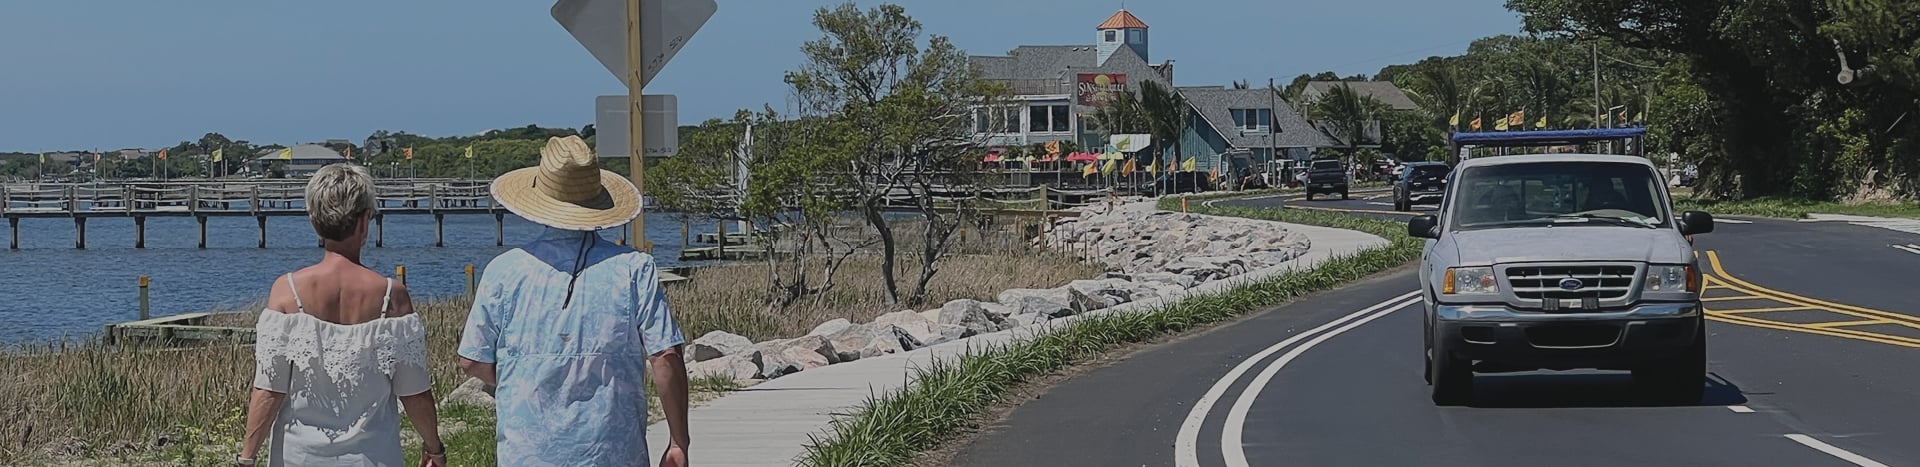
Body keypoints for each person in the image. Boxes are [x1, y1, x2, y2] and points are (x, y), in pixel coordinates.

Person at [457, 135, 692, 466]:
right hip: (612, 450)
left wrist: (527, 374)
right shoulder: (633, 268)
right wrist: (678, 440)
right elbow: (665, 356)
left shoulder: (504, 271)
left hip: (527, 452)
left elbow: (472, 360)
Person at [241, 163, 445, 467]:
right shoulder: (392, 295)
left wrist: (247, 457)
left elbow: (268, 390)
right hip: (373, 457)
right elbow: (414, 392)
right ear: (364, 223)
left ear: (314, 222)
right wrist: (434, 448)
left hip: (298, 458)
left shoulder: (287, 291)